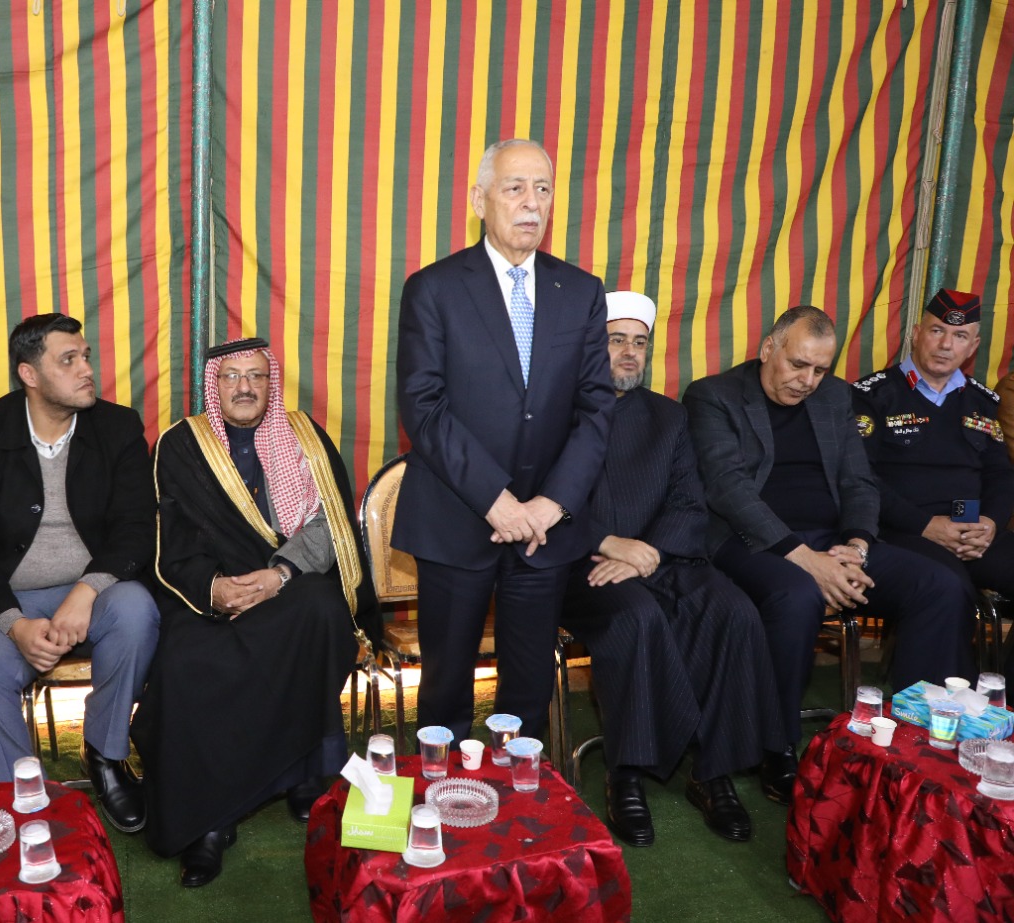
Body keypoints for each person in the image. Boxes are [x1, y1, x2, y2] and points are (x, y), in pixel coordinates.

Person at [684, 305, 973, 804]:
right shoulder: (714, 396)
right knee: (797, 596)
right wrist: (805, 558)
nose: (807, 381)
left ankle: (912, 739)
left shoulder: (835, 396)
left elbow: (858, 480)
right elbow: (728, 489)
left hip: (834, 540)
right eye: (798, 364)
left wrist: (857, 546)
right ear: (768, 348)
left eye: (819, 369)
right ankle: (775, 746)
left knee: (939, 586)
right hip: (749, 541)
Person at [136, 338, 378, 887]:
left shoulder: (304, 436)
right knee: (185, 662)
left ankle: (302, 770)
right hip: (209, 592)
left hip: (287, 583)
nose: (244, 387)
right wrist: (215, 589)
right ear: (214, 386)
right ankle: (208, 822)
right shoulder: (182, 445)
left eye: (256, 376)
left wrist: (281, 574)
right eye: (232, 377)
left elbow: (332, 525)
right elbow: (170, 541)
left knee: (322, 611)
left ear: (271, 384)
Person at [394, 138, 615, 741]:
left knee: (528, 693)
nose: (531, 203)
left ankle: (524, 795)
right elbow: (424, 407)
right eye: (515, 188)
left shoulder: (581, 291)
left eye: (543, 189)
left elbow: (596, 409)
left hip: (545, 530)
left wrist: (550, 504)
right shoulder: (434, 288)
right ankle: (444, 792)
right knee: (445, 694)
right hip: (456, 520)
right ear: (479, 200)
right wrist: (496, 500)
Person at [558, 293, 782, 847]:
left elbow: (688, 501)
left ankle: (712, 770)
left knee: (732, 611)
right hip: (579, 565)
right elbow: (540, 504)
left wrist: (649, 552)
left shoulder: (669, 416)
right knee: (636, 618)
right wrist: (609, 544)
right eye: (616, 340)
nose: (629, 353)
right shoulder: (555, 414)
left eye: (639, 342)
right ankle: (626, 773)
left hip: (662, 558)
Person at [0, 314, 159, 833]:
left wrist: (86, 592)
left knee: (137, 612)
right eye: (69, 360)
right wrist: (14, 625)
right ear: (30, 374)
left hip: (96, 591)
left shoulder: (118, 426)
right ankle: (25, 796)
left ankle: (105, 754)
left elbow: (137, 529)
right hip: (10, 600)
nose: (87, 369)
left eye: (86, 356)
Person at [850, 290, 1014, 606]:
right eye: (937, 330)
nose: (946, 345)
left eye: (960, 336)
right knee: (949, 589)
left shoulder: (982, 401)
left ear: (973, 346)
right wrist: (924, 526)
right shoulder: (872, 397)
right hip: (903, 532)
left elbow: (1001, 475)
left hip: (973, 536)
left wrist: (990, 523)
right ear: (916, 334)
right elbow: (860, 478)